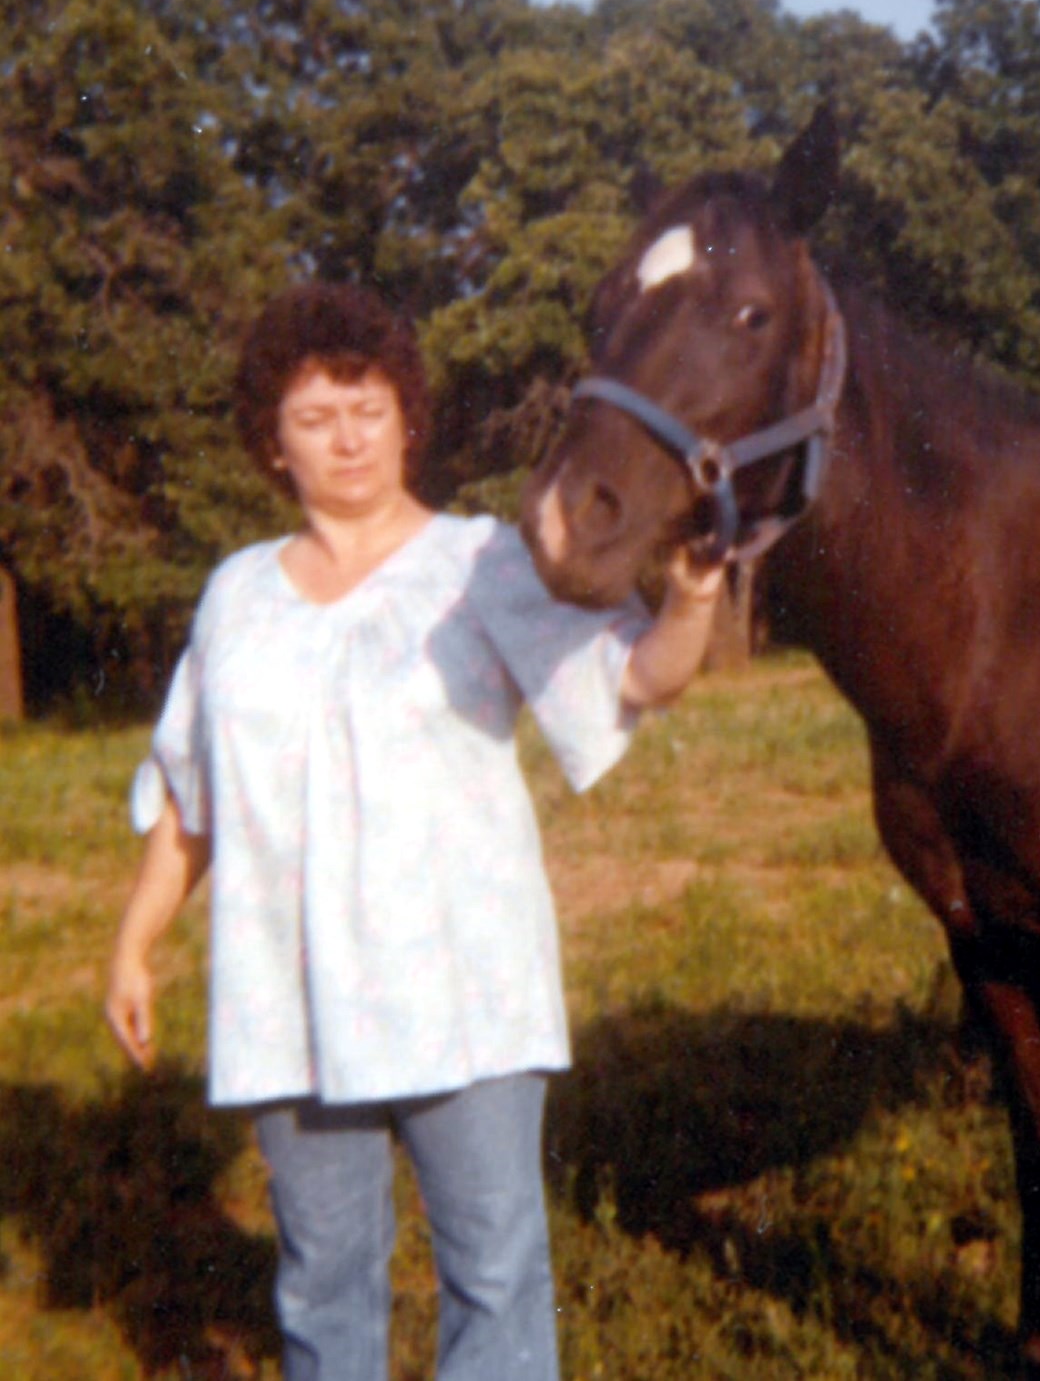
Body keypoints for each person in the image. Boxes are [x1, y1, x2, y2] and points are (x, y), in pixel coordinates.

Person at [104, 282, 723, 1380]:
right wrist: (135, 941)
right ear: (273, 444)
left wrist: (690, 602)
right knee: (321, 1281)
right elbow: (191, 791)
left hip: (467, 992)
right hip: (287, 998)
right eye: (315, 415)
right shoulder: (235, 596)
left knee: (493, 1276)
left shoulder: (481, 562)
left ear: (406, 419)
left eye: (369, 406)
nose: (348, 436)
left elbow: (630, 678)